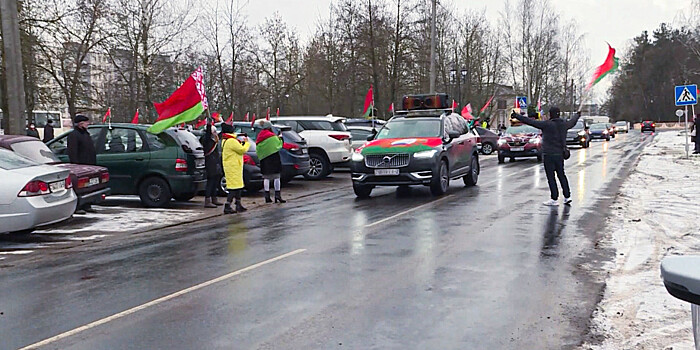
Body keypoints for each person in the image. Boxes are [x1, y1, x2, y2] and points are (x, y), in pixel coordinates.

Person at [513, 106, 581, 206]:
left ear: (551, 114)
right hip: (560, 154)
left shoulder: (546, 124)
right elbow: (573, 121)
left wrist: (517, 116)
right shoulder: (564, 124)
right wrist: (577, 114)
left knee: (551, 177)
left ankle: (554, 198)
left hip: (548, 154)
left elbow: (531, 122)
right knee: (561, 175)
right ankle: (567, 196)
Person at [68, 114, 98, 213]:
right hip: (80, 165)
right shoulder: (74, 135)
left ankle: (87, 204)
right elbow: (73, 151)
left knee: (88, 186)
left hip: (89, 164)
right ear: (81, 123)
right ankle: (78, 206)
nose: (88, 124)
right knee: (79, 187)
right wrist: (76, 165)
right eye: (86, 122)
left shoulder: (86, 134)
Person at [221, 123, 250, 214]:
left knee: (238, 187)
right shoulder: (231, 141)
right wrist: (246, 143)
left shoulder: (226, 140)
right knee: (234, 187)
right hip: (233, 167)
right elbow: (242, 150)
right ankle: (228, 205)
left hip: (233, 166)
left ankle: (238, 204)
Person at [255, 119, 286, 203]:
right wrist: (281, 138)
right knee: (276, 177)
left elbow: (258, 148)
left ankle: (267, 196)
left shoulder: (259, 137)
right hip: (274, 158)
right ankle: (277, 195)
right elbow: (279, 145)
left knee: (266, 177)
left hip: (264, 159)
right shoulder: (272, 137)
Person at [200, 120, 223, 208]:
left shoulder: (214, 140)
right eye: (214, 132)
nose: (215, 133)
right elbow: (208, 135)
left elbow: (221, 134)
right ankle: (207, 200)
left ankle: (214, 199)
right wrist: (209, 125)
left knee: (215, 182)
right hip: (210, 164)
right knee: (210, 182)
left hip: (215, 163)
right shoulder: (206, 140)